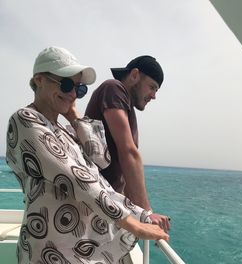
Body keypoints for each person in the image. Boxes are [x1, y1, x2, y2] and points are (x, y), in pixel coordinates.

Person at [5, 46, 168, 264]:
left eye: (79, 89)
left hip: (80, 247)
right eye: (65, 84)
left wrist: (72, 115)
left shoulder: (62, 130)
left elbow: (100, 158)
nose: (72, 93)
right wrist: (134, 223)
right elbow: (77, 179)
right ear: (39, 80)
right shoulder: (25, 120)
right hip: (49, 250)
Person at [85, 55, 171, 231]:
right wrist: (147, 213)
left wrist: (138, 214)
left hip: (106, 210)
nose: (154, 96)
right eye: (152, 87)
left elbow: (124, 170)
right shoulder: (114, 88)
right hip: (94, 209)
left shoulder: (126, 106)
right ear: (134, 76)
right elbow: (128, 152)